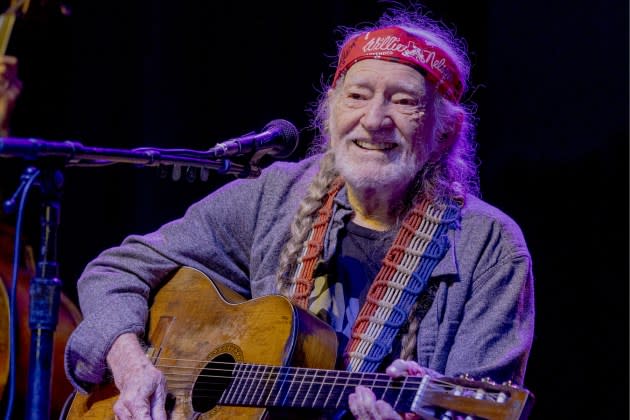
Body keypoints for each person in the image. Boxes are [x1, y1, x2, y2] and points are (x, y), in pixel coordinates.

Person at [64, 4, 535, 419]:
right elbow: (115, 270)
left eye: (405, 101)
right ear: (329, 112)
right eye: (357, 95)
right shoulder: (275, 194)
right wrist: (132, 367)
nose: (374, 119)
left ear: (445, 131)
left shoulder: (489, 245)